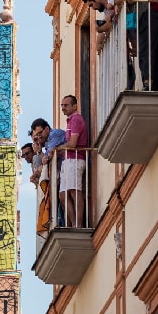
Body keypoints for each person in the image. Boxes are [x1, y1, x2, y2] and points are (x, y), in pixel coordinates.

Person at [95, 0, 158, 91]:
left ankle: (149, 82)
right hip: (138, 17)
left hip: (144, 14)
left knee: (146, 51)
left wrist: (113, 3)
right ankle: (147, 81)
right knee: (144, 52)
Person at [53, 95, 89, 228]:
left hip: (75, 159)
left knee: (74, 191)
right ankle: (74, 223)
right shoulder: (70, 121)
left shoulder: (76, 119)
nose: (63, 108)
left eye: (66, 105)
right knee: (63, 195)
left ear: (74, 106)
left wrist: (58, 148)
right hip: (68, 160)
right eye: (61, 105)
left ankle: (78, 225)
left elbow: (73, 143)